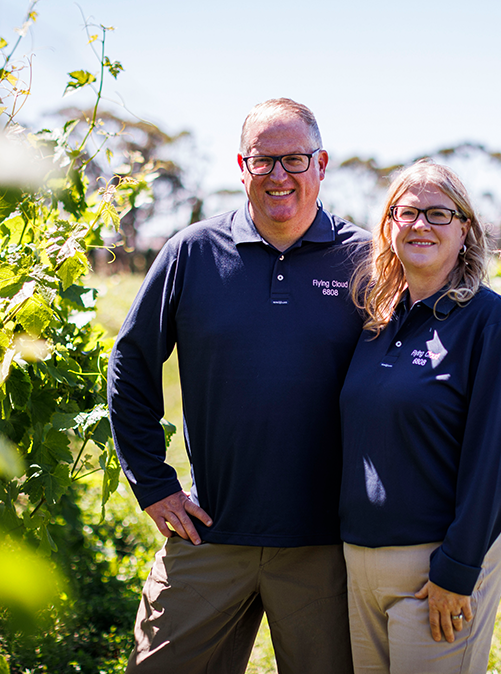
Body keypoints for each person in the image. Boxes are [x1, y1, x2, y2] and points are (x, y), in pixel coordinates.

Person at [107, 98, 366, 674]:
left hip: (325, 545)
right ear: (242, 166)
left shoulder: (365, 262)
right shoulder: (192, 253)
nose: (279, 176)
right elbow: (130, 363)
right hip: (210, 534)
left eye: (295, 160)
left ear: (321, 164)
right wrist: (153, 484)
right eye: (263, 160)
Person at [339, 160, 501, 673]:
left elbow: (496, 455)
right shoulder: (377, 320)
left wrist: (458, 568)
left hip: (435, 573)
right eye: (407, 211)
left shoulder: (489, 322)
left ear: (465, 229)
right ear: (388, 224)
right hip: (360, 565)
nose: (421, 224)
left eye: (439, 213)